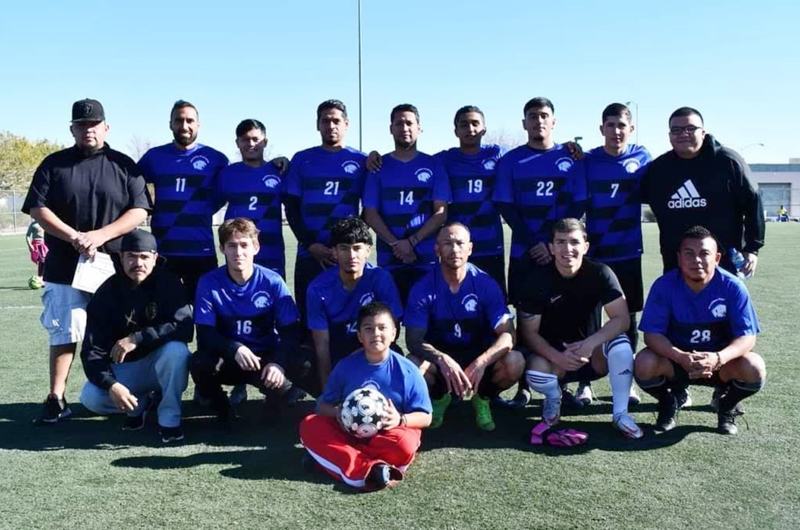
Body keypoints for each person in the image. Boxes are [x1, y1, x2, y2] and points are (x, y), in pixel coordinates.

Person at [22, 98, 151, 423]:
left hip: (114, 263)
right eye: (81, 125)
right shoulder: (54, 164)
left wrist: (100, 235)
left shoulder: (123, 164)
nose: (88, 130)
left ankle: (129, 393)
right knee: (64, 332)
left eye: (93, 124)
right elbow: (38, 207)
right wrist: (74, 236)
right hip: (66, 265)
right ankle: (57, 397)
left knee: (121, 328)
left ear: (105, 127)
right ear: (72, 129)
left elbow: (140, 209)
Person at [492, 97, 588, 408]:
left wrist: (551, 243)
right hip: (525, 254)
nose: (538, 121)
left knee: (570, 317)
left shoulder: (571, 157)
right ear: (524, 123)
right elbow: (507, 206)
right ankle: (524, 387)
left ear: (554, 121)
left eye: (544, 115)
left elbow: (577, 204)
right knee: (525, 320)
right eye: (532, 116)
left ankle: (576, 383)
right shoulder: (511, 161)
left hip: (561, 255)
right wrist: (534, 243)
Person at [517, 218, 643, 444]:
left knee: (621, 345)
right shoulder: (536, 280)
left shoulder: (600, 273)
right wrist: (558, 356)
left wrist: (591, 343)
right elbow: (528, 333)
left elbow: (622, 319)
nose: (568, 249)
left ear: (585, 246)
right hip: (554, 360)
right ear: (551, 247)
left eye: (574, 242)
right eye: (561, 242)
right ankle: (553, 401)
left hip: (592, 356)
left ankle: (620, 414)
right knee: (533, 370)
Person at [634, 226, 765, 435]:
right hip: (677, 363)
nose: (697, 260)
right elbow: (652, 335)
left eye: (704, 253)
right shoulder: (664, 286)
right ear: (679, 258)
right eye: (689, 254)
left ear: (717, 258)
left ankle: (726, 405)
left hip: (720, 365)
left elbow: (747, 337)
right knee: (643, 363)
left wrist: (718, 358)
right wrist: (681, 356)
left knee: (754, 367)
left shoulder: (732, 286)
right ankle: (668, 402)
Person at [368, 105, 506, 293]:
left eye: (475, 124)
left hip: (486, 249)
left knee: (488, 309)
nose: (470, 129)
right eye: (464, 124)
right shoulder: (441, 160)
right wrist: (371, 156)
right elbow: (370, 213)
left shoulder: (499, 155)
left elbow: (441, 213)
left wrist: (561, 147)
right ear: (455, 130)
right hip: (423, 253)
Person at [299, 302, 432, 491]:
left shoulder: (408, 371)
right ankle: (372, 469)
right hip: (349, 432)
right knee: (309, 425)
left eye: (382, 328)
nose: (376, 334)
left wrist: (400, 419)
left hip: (387, 435)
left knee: (405, 444)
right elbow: (322, 407)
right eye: (369, 329)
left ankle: (331, 459)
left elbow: (426, 417)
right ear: (360, 336)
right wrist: (337, 412)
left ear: (394, 333)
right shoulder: (346, 366)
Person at [405, 223, 525, 431]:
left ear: (470, 248)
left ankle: (483, 397)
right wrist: (442, 359)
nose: (455, 249)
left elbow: (508, 334)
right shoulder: (423, 286)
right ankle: (439, 397)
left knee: (515, 361)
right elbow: (413, 340)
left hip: (478, 356)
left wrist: (482, 361)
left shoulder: (485, 283)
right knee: (412, 367)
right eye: (447, 244)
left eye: (460, 243)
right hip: (440, 357)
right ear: (437, 249)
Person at [79, 230, 193, 443]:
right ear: (121, 258)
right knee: (90, 398)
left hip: (160, 364)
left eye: (144, 257)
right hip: (126, 370)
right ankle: (138, 404)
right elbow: (91, 351)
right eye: (131, 256)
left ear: (155, 259)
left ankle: (169, 418)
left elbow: (184, 328)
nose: (137, 262)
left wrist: (137, 338)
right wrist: (112, 385)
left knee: (177, 351)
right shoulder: (106, 292)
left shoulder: (169, 283)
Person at [190, 218, 303, 427]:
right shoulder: (208, 282)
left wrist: (278, 363)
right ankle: (222, 409)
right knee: (199, 363)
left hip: (263, 357)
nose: (238, 252)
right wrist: (234, 348)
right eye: (232, 246)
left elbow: (291, 332)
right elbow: (205, 333)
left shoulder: (272, 281)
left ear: (256, 247)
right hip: (227, 357)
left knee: (290, 384)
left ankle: (273, 403)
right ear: (222, 248)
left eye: (244, 245)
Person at [575, 103, 652, 407]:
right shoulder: (588, 160)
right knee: (589, 317)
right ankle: (584, 383)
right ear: (601, 129)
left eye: (622, 125)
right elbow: (577, 205)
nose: (616, 131)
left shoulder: (643, 157)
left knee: (627, 319)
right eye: (610, 125)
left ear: (630, 129)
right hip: (597, 254)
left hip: (629, 252)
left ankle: (626, 382)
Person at [641, 106, 765, 276]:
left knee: (722, 302)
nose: (683, 134)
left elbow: (753, 202)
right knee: (678, 303)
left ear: (703, 132)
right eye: (676, 130)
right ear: (669, 136)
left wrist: (752, 248)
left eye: (690, 128)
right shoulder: (659, 169)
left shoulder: (728, 162)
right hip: (676, 261)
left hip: (723, 260)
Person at [284, 99, 367, 327]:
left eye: (336, 120)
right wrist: (311, 245)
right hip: (309, 254)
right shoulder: (302, 159)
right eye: (325, 120)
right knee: (308, 323)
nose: (331, 125)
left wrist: (344, 247)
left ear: (346, 124)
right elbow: (291, 207)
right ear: (318, 124)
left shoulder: (362, 161)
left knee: (347, 322)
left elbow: (368, 210)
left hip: (344, 256)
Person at [137, 100, 229, 299]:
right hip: (162, 251)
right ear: (170, 124)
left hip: (201, 251)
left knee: (205, 315)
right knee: (163, 315)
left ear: (198, 124)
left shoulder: (216, 158)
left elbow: (226, 190)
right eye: (179, 120)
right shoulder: (154, 157)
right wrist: (148, 208)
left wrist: (203, 210)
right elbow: (131, 184)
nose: (184, 126)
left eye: (190, 120)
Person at [363, 103, 451, 305]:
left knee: (424, 325)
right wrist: (396, 244)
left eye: (409, 123)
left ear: (419, 128)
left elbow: (441, 213)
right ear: (391, 128)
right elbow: (370, 214)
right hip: (389, 260)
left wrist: (410, 243)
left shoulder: (434, 165)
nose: (404, 128)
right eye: (399, 123)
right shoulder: (378, 166)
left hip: (425, 260)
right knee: (387, 324)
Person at [306, 217, 403, 394]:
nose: (351, 256)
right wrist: (328, 393)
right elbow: (322, 344)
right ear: (334, 252)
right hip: (336, 348)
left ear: (368, 250)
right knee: (303, 363)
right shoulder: (318, 288)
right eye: (344, 248)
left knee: (395, 355)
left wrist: (357, 359)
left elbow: (391, 331)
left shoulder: (381, 279)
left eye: (357, 248)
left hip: (371, 344)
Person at [215, 118, 288, 278]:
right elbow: (211, 206)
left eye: (256, 139)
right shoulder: (227, 174)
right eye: (245, 139)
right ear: (237, 142)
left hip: (271, 250)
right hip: (238, 252)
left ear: (265, 142)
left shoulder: (280, 172)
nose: (251, 144)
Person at [26, 219, 47, 284]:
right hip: (37, 244)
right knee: (42, 261)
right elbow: (27, 236)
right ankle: (40, 279)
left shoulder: (45, 223)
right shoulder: (33, 224)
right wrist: (30, 245)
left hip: (45, 244)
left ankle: (45, 279)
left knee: (46, 261)